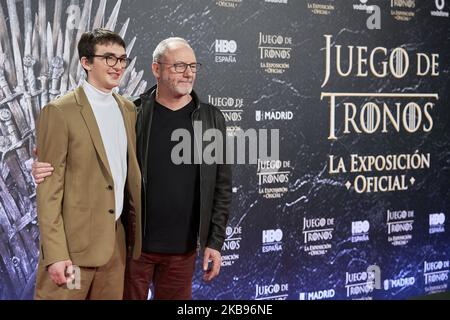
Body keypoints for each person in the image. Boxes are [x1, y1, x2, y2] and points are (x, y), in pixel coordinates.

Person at [32, 37, 232, 300]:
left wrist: (214, 242)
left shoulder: (206, 118)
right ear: (156, 69)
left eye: (193, 66)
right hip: (130, 249)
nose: (188, 73)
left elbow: (221, 185)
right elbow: (78, 166)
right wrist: (42, 164)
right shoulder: (134, 111)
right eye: (179, 65)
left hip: (175, 251)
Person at [33, 28, 141, 300]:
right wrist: (56, 254)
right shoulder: (60, 112)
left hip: (114, 250)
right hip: (72, 254)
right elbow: (49, 191)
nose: (117, 66)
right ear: (86, 62)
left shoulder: (128, 110)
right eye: (108, 58)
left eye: (121, 59)